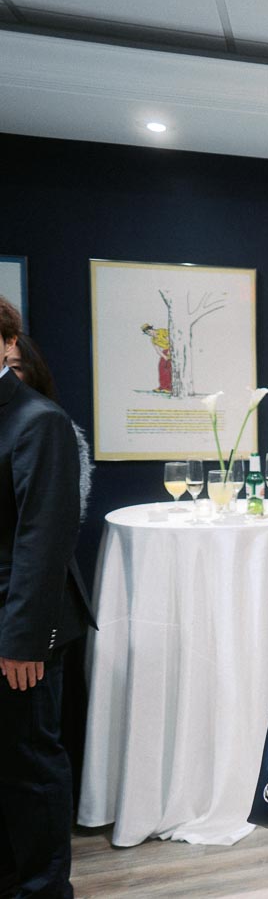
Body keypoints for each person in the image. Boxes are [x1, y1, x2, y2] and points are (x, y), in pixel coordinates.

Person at [0, 296, 94, 899]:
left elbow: (43, 538)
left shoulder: (38, 420)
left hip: (19, 631)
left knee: (29, 768)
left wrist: (23, 640)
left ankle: (41, 890)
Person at [4, 333, 94, 521]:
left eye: (14, 367)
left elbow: (58, 513)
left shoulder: (47, 423)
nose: (6, 374)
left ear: (32, 372)